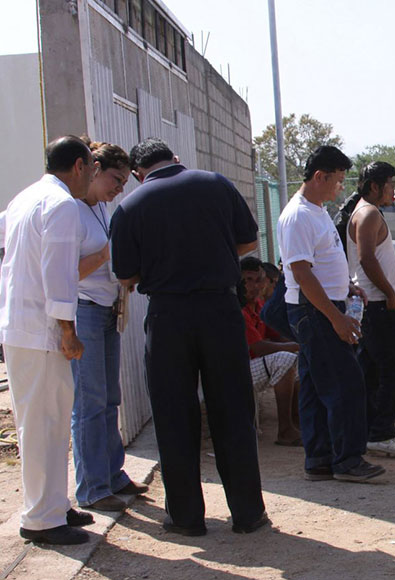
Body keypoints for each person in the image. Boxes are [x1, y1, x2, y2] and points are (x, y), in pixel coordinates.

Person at [110, 138, 268, 536]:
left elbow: (125, 275)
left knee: (174, 416)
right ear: (177, 159)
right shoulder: (216, 183)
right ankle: (248, 515)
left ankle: (186, 518)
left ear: (136, 173)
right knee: (232, 411)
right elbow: (248, 241)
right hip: (221, 310)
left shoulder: (130, 205)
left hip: (168, 316)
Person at [0, 136, 93, 545]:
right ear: (77, 166)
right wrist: (67, 330)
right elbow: (58, 271)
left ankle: (54, 504)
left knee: (49, 421)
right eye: (91, 167)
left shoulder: (25, 198)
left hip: (23, 325)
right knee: (43, 423)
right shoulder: (61, 205)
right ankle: (41, 518)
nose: (91, 175)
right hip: (42, 330)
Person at [277, 145, 385, 483]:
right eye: (337, 180)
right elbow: (301, 272)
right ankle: (348, 460)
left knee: (314, 386)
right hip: (316, 312)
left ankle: (321, 457)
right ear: (320, 176)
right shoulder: (298, 215)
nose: (341, 187)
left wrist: (346, 289)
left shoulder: (316, 210)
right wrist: (336, 317)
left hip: (323, 306)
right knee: (346, 384)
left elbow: (319, 263)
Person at [71, 140, 148, 514]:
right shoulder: (69, 210)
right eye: (115, 180)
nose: (119, 189)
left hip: (106, 309)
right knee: (89, 403)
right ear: (93, 170)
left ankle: (113, 474)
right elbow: (66, 273)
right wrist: (106, 254)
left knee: (109, 399)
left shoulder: (101, 207)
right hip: (83, 310)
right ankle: (92, 487)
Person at [347, 161, 395, 458]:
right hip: (376, 304)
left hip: (372, 304)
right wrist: (390, 294)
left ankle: (369, 430)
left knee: (372, 372)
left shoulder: (365, 211)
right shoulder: (369, 213)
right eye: (390, 184)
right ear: (374, 186)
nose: (394, 191)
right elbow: (366, 259)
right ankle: (382, 432)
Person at [241, 256, 301, 447]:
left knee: (299, 359)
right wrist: (296, 346)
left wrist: (301, 344)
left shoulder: (258, 306)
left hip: (254, 365)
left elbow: (276, 336)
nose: (254, 286)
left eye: (258, 280)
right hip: (236, 371)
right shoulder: (237, 309)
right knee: (285, 359)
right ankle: (285, 430)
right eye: (247, 280)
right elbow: (258, 347)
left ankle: (296, 422)